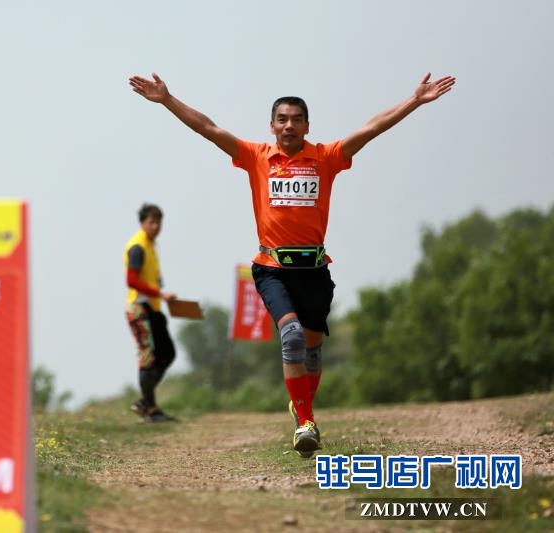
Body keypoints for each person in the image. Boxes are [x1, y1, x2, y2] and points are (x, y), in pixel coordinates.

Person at [129, 72, 455, 454]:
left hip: (315, 271)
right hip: (272, 269)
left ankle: (304, 410)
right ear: (271, 126)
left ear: (306, 126)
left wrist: (413, 101)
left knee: (313, 353)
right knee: (292, 336)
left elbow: (372, 128)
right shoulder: (256, 157)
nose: (288, 125)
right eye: (282, 119)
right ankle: (304, 423)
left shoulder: (327, 156)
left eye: (296, 119)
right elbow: (208, 128)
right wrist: (168, 100)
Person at [124, 203, 179, 422]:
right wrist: (160, 293)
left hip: (152, 308)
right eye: (151, 222)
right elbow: (131, 280)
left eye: (158, 222)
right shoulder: (137, 246)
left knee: (167, 353)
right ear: (143, 223)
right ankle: (151, 408)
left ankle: (144, 401)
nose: (156, 226)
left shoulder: (150, 245)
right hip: (139, 308)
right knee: (148, 358)